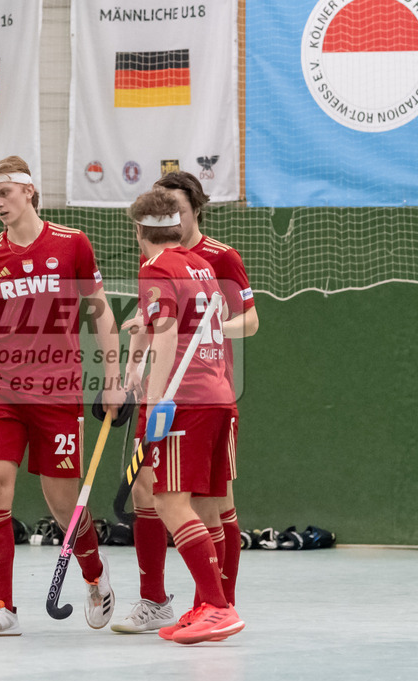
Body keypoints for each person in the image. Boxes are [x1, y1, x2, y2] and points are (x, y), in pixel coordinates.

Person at [0, 156, 124, 637]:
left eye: (3, 194)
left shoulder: (73, 245)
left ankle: (94, 575)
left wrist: (113, 376)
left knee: (62, 505)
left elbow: (101, 314)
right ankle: (2, 606)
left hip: (58, 391)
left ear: (29, 191)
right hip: (2, 389)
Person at [113, 172, 258, 634]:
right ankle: (206, 605)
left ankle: (217, 605)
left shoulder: (159, 267)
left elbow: (171, 334)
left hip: (185, 397)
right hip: (218, 396)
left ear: (140, 229)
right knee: (203, 503)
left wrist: (156, 399)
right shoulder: (197, 265)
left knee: (171, 501)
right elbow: (165, 325)